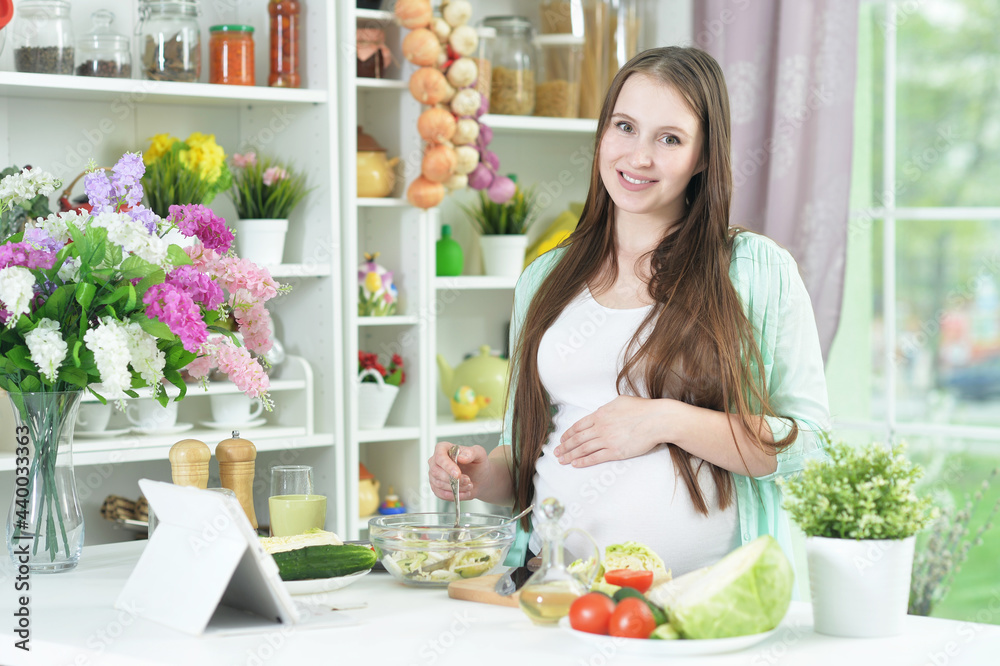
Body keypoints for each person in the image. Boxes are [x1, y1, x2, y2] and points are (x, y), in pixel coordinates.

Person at [428, 46, 831, 577]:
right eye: (624, 126)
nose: (638, 156)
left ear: (704, 156)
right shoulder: (544, 278)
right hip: (557, 593)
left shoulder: (754, 269)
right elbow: (524, 457)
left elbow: (812, 447)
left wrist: (665, 419)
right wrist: (479, 477)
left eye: (669, 139)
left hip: (699, 600)